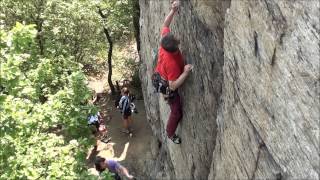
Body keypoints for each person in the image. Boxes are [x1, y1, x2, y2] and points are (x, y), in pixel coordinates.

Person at [155, 0, 193, 144]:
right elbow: (172, 86)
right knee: (176, 111)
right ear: (174, 50)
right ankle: (170, 133)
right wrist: (185, 72)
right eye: (178, 44)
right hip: (166, 83)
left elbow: (165, 25)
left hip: (160, 75)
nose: (179, 43)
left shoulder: (165, 41)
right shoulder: (171, 63)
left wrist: (173, 10)